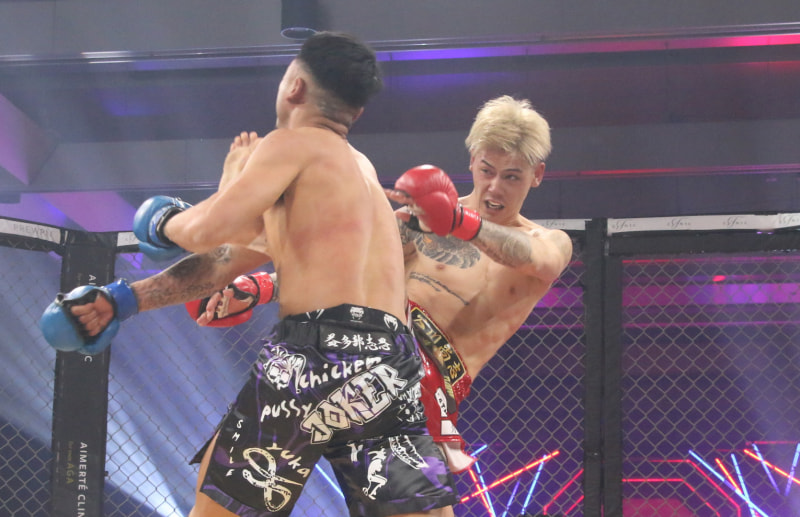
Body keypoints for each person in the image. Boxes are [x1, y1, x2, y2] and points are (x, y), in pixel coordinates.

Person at [40, 31, 458, 517]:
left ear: (295, 86)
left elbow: (204, 232)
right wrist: (125, 298)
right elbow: (226, 259)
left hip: (316, 352)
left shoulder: (292, 143)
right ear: (357, 111)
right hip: (390, 362)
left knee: (220, 508)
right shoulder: (359, 172)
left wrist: (162, 220)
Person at [194, 96, 574, 474]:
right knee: (243, 461)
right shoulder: (421, 219)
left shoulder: (549, 241)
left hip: (426, 382)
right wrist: (258, 288)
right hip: (364, 343)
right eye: (487, 170)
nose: (494, 187)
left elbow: (539, 260)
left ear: (537, 174)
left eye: (512, 177)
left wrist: (459, 222)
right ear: (473, 160)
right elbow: (347, 266)